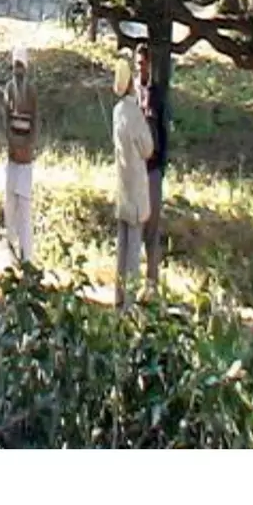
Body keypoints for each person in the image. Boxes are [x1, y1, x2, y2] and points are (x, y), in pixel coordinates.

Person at [110, 57, 153, 310]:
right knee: (134, 251)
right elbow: (148, 148)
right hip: (136, 188)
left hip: (122, 186)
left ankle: (118, 295)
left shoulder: (117, 111)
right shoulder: (134, 113)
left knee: (121, 247)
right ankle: (129, 303)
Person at [135, 42, 169, 292]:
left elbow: (164, 134)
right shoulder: (130, 93)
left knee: (152, 228)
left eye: (144, 64)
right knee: (134, 226)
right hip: (134, 169)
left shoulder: (157, 95)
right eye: (138, 64)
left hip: (153, 168)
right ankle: (132, 279)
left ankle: (152, 282)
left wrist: (161, 166)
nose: (141, 68)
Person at [2, 47, 39, 266]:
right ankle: (11, 255)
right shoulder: (8, 89)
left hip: (26, 159)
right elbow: (5, 120)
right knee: (10, 206)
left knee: (24, 207)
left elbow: (35, 123)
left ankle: (27, 258)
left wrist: (27, 147)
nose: (18, 71)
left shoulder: (32, 91)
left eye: (21, 66)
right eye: (15, 66)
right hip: (12, 155)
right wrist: (12, 145)